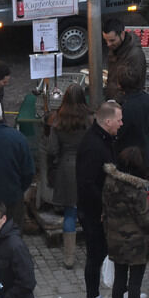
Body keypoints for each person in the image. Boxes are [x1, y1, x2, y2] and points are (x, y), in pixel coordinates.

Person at [103, 147, 149, 298]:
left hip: (115, 239)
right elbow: (147, 221)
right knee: (134, 284)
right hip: (136, 242)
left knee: (119, 281)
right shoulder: (137, 190)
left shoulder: (110, 181)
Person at [77, 100, 124, 298]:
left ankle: (118, 291)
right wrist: (104, 207)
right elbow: (87, 183)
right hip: (94, 211)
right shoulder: (93, 145)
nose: (121, 123)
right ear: (107, 121)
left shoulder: (104, 139)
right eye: (118, 119)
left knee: (107, 250)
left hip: (102, 208)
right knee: (95, 254)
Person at [39, 83, 89, 268]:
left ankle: (69, 256)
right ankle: (94, 251)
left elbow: (52, 149)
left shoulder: (58, 120)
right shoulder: (90, 119)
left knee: (69, 213)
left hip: (66, 170)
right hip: (86, 167)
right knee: (89, 212)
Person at [116, 66, 149, 166]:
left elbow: (118, 133)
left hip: (127, 156)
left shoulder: (124, 107)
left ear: (120, 85)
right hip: (144, 152)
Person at [103, 17, 147, 102]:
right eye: (106, 40)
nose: (108, 44)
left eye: (112, 40)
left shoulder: (135, 55)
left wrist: (115, 102)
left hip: (124, 104)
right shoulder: (115, 48)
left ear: (122, 34)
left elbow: (133, 86)